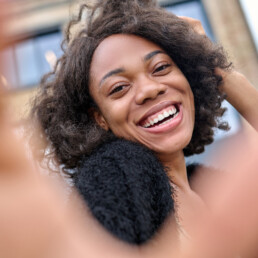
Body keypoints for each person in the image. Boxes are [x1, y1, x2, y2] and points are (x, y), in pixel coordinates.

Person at [31, 0, 258, 249]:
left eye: (161, 68)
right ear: (100, 118)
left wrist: (220, 72)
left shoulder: (207, 183)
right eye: (119, 88)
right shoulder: (118, 170)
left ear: (189, 77)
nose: (149, 90)